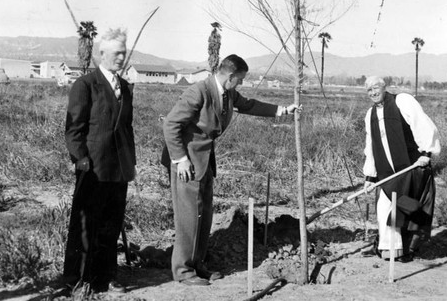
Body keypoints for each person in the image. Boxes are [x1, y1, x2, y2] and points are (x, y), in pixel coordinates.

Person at [162, 54, 301, 286]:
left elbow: (249, 105)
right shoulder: (199, 91)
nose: (242, 84)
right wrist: (180, 159)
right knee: (188, 218)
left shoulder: (227, 93)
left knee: (203, 216)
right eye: (241, 79)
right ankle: (183, 271)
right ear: (230, 76)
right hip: (187, 162)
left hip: (204, 161)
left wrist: (283, 110)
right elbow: (171, 124)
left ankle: (197, 264)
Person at [63, 28, 136, 293]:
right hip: (92, 167)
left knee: (111, 225)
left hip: (118, 170)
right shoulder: (85, 85)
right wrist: (79, 158)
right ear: (101, 54)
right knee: (85, 226)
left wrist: (131, 162)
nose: (120, 58)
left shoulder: (126, 88)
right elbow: (74, 128)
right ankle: (78, 279)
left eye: (123, 53)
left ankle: (106, 275)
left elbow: (126, 129)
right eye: (116, 53)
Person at [362, 76, 440, 262]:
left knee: (401, 209)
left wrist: (426, 154)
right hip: (387, 173)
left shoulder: (402, 102)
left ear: (384, 88)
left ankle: (400, 249)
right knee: (384, 209)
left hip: (410, 168)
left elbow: (422, 124)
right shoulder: (370, 114)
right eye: (369, 90)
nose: (373, 93)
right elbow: (371, 146)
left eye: (375, 88)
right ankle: (391, 249)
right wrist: (370, 176)